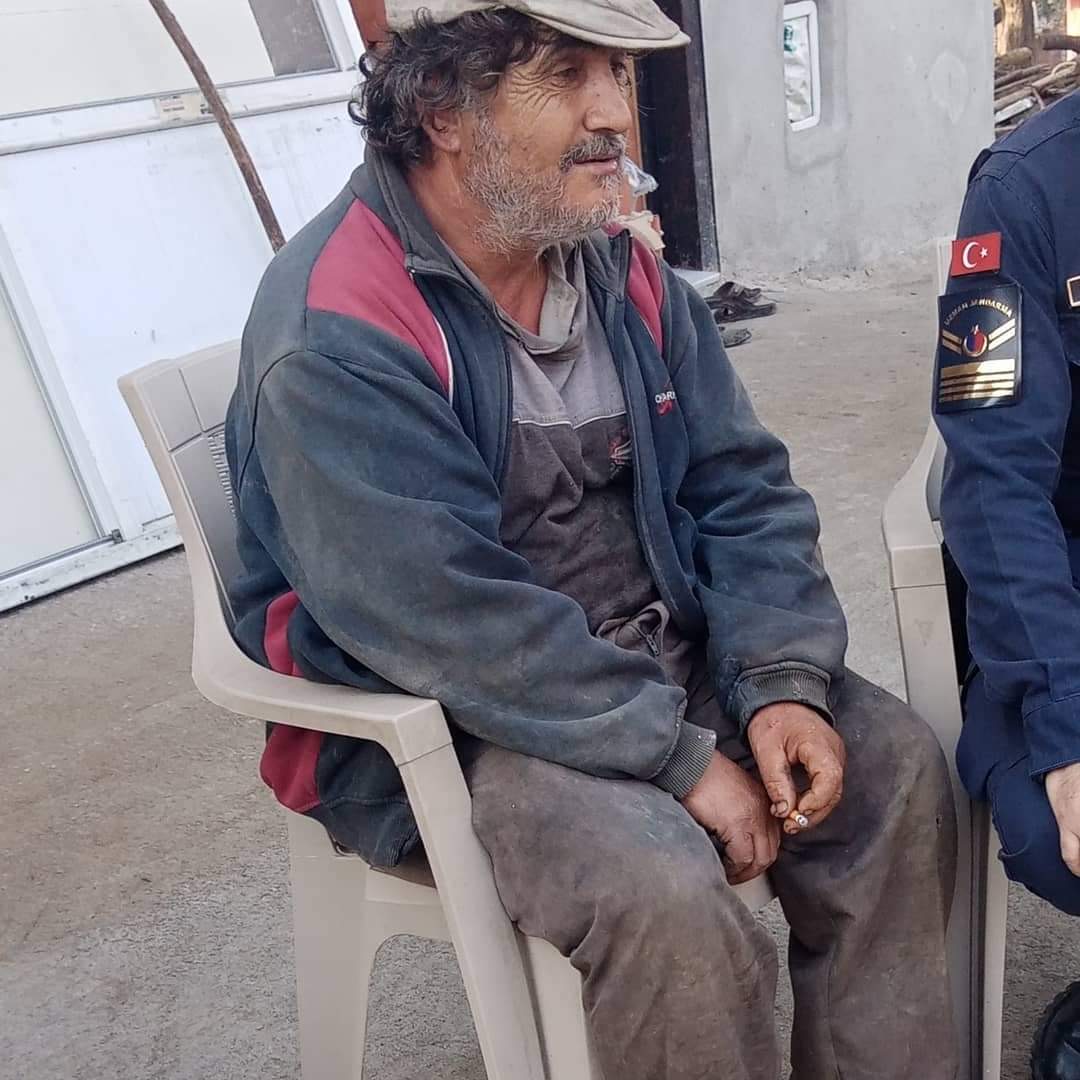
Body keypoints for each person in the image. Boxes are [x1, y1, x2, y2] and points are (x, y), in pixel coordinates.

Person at [225, 2, 957, 1076]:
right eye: (567, 74)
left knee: (893, 774)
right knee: (661, 893)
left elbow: (739, 484)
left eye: (616, 71)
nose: (615, 111)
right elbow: (446, 620)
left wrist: (781, 682)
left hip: (650, 651)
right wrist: (678, 755)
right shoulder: (338, 331)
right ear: (442, 109)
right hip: (462, 722)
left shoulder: (616, 264)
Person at [935, 90, 1080, 1079]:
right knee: (1050, 826)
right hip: (1062, 608)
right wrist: (1069, 731)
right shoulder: (1024, 193)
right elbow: (996, 481)